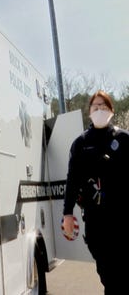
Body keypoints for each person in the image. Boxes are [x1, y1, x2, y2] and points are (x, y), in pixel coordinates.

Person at [62, 90, 129, 294]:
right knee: (107, 274)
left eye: (104, 106)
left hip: (122, 220)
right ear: (89, 111)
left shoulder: (124, 139)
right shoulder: (80, 144)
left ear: (112, 111)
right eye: (95, 106)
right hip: (96, 221)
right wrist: (67, 213)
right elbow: (72, 181)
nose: (100, 110)